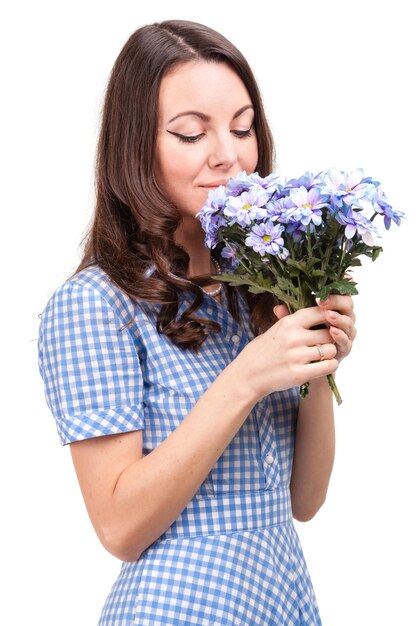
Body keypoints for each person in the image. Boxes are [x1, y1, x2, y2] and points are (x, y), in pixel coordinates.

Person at [38, 19, 356, 626]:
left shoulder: (255, 291)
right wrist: (246, 377)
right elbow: (119, 527)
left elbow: (305, 500)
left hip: (281, 600)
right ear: (136, 147)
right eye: (190, 133)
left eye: (242, 128)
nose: (229, 156)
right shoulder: (94, 305)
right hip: (179, 608)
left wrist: (319, 358)